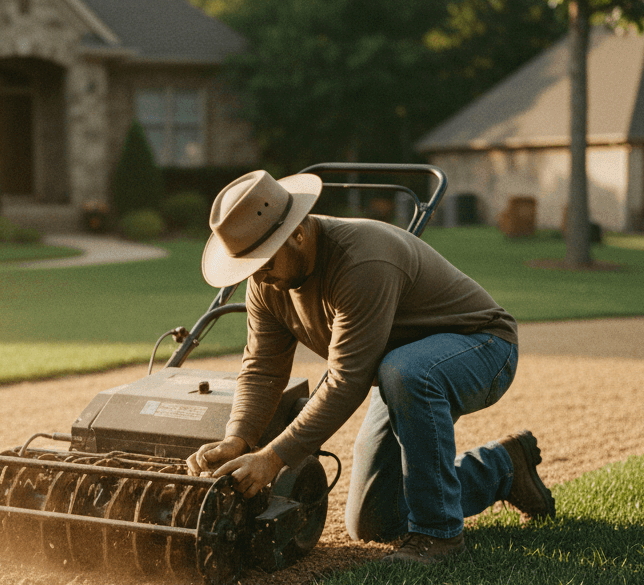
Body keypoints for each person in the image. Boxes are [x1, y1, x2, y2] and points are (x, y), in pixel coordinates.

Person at [185, 169, 555, 565]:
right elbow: (262, 368)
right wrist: (238, 438)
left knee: (406, 371)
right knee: (374, 521)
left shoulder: (361, 260)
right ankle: (503, 468)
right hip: (401, 370)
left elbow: (346, 380)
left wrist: (273, 458)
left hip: (482, 347)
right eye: (249, 265)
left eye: (265, 261)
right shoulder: (267, 284)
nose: (259, 276)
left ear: (297, 233)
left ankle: (439, 537)